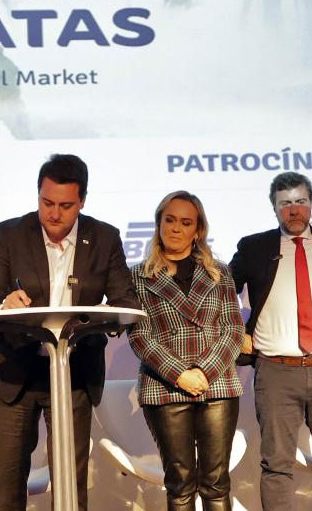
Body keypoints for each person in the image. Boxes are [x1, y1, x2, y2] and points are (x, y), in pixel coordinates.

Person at [0, 153, 138, 511]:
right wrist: (4, 301)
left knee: (70, 480)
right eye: (47, 203)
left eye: (65, 205)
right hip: (17, 371)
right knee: (10, 480)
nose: (54, 214)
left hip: (74, 373)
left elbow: (125, 300)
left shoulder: (104, 237)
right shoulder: (11, 233)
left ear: (82, 202)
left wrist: (93, 318)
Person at [229, 172, 312, 511]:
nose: (294, 210)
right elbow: (222, 294)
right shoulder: (254, 247)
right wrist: (237, 332)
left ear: (311, 204)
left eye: (300, 201)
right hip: (276, 371)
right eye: (285, 203)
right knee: (277, 466)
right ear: (274, 208)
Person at [128, 191, 243, 511]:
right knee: (179, 485)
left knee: (216, 484)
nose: (176, 228)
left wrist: (203, 372)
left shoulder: (219, 273)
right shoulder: (138, 276)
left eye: (185, 222)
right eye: (169, 220)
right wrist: (180, 374)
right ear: (159, 223)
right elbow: (139, 336)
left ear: (198, 230)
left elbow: (233, 330)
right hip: (164, 387)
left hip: (216, 384)